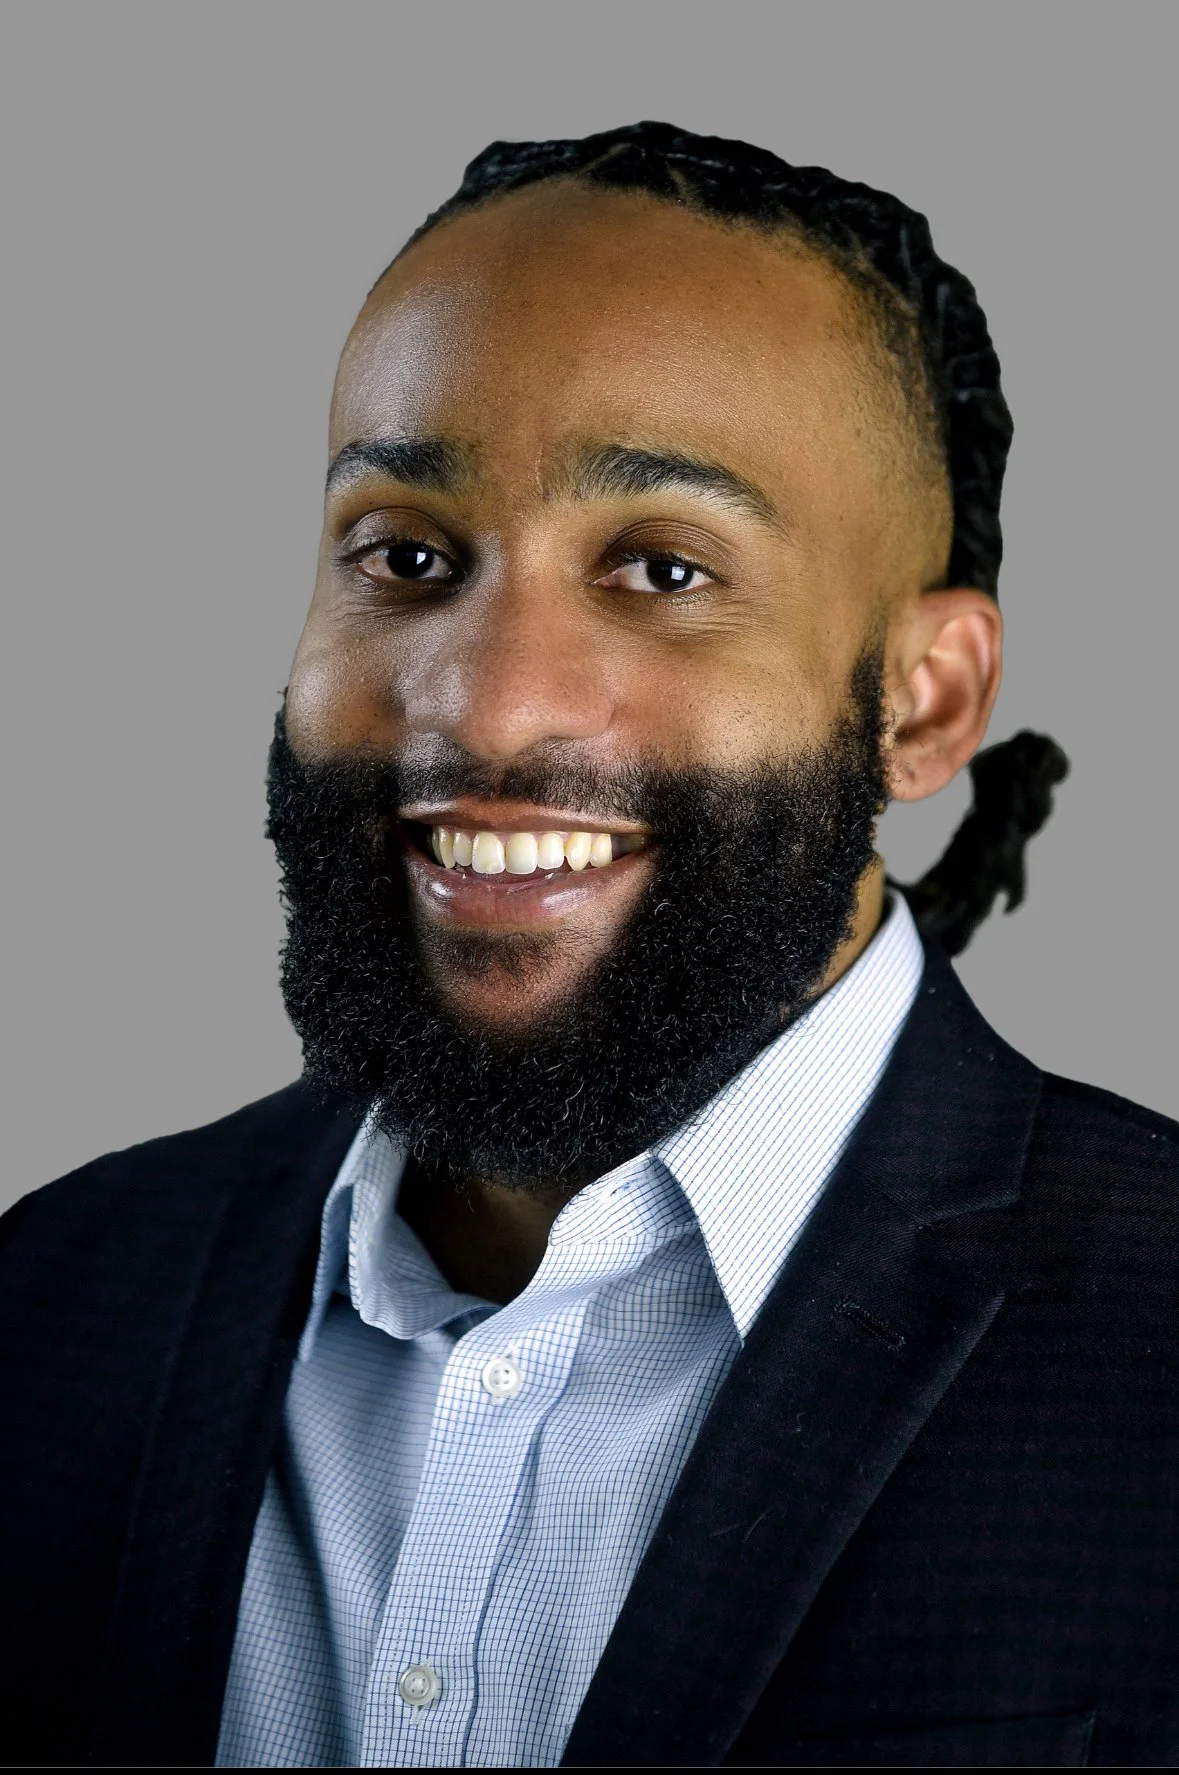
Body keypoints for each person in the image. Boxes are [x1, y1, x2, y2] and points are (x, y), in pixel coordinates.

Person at [0, 120, 1172, 1770]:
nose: (484, 699)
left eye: (660, 568)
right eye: (405, 554)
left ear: (925, 700)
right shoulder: (48, 1305)